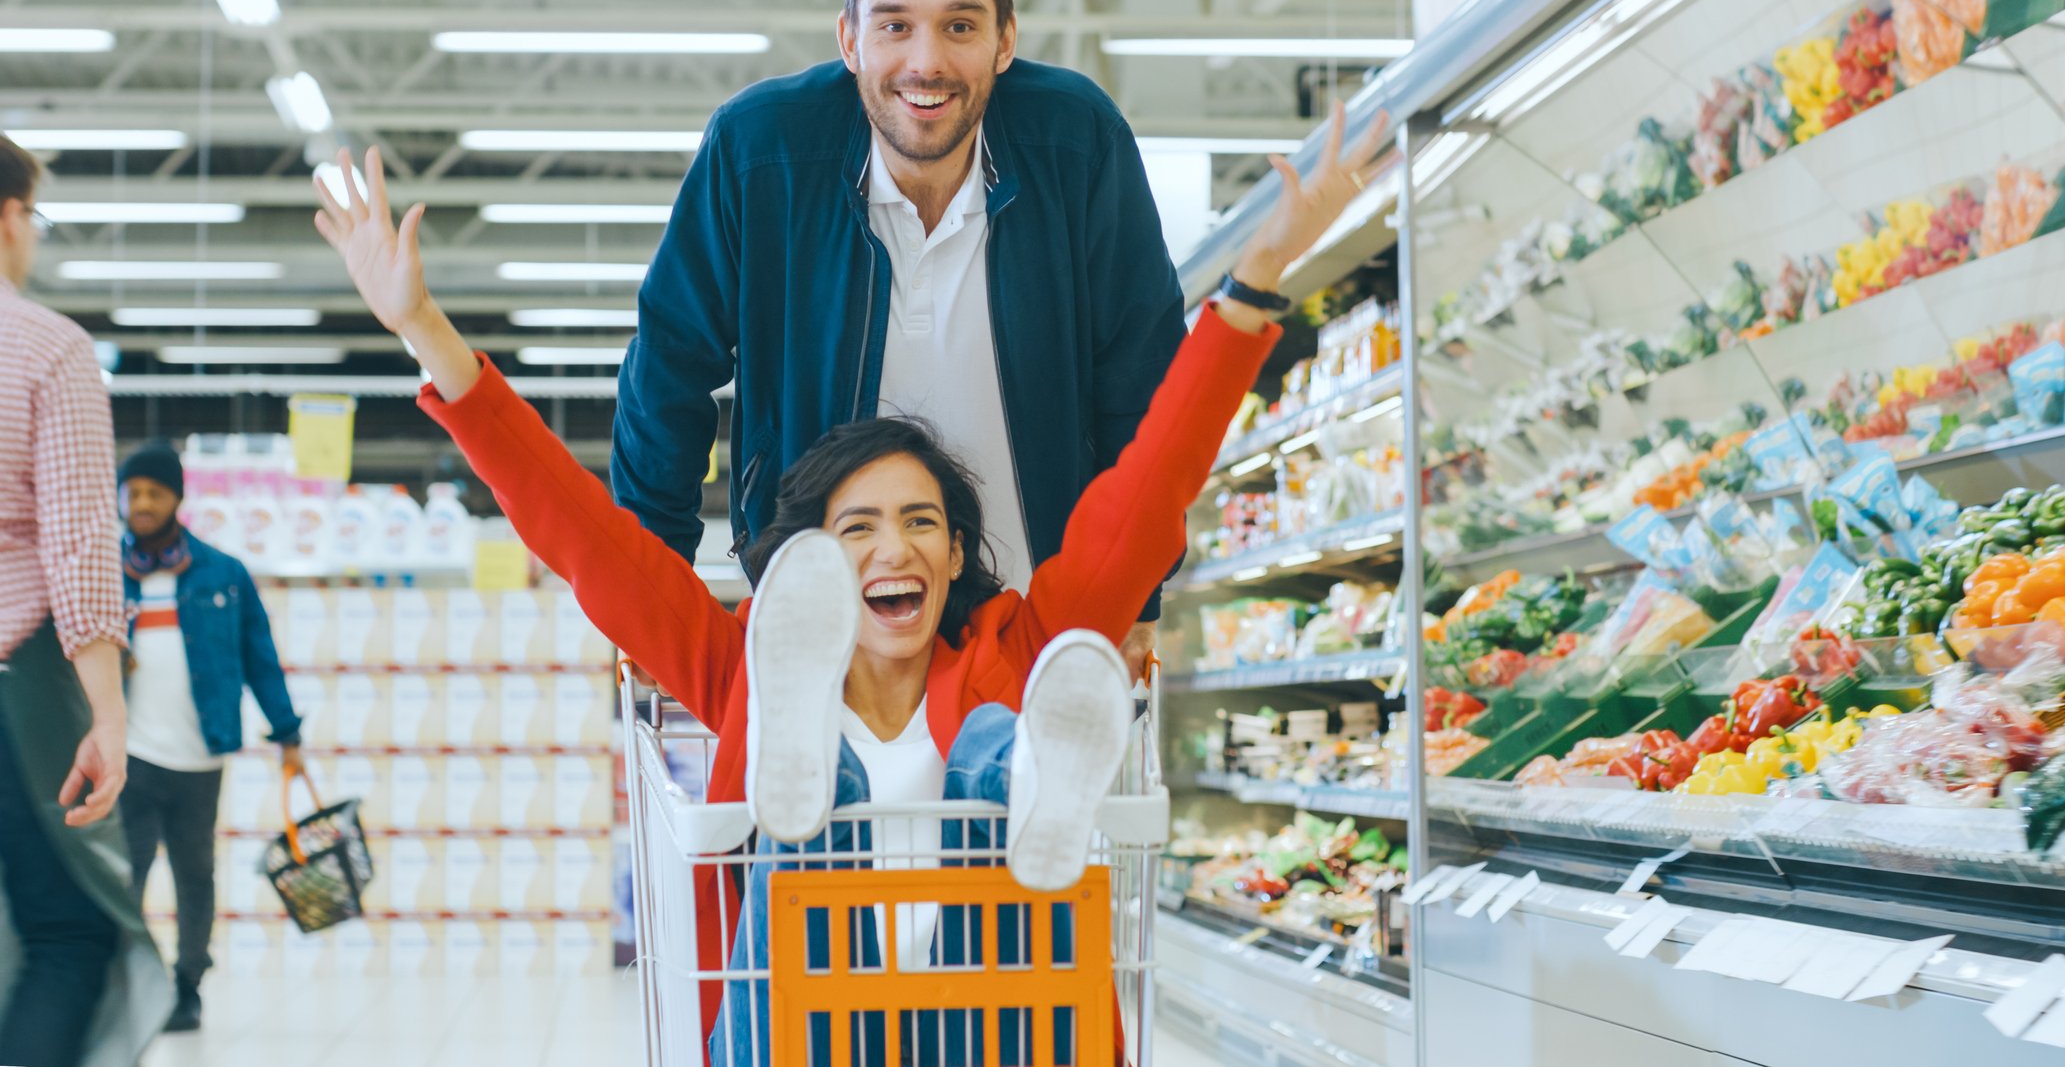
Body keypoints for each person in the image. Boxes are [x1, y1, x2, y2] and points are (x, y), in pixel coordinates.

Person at [312, 98, 1390, 1059]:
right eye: (858, 528)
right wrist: (422, 330)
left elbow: (1146, 491)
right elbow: (580, 535)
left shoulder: (1019, 648)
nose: (896, 549)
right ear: (811, 564)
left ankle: (1022, 787)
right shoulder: (738, 666)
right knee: (837, 788)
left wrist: (1254, 290)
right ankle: (837, 773)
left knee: (990, 743)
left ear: (958, 555)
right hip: (806, 1028)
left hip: (996, 1027)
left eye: (923, 522)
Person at [610, 0, 1188, 667]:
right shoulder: (760, 153)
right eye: (893, 26)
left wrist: (1136, 589)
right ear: (849, 39)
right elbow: (668, 371)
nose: (926, 63)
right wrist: (651, 591)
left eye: (960, 25)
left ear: (1004, 40)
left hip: (1041, 619)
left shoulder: (1076, 143)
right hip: (821, 618)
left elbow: (1144, 383)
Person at [0, 131, 169, 1066]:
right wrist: (107, 712)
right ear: (12, 217)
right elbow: (75, 540)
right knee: (70, 932)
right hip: (18, 676)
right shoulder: (45, 348)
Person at [115, 442, 305, 1033]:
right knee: (127, 879)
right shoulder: (101, 571)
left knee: (195, 876)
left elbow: (260, 658)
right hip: (128, 756)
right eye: (134, 492)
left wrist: (288, 731)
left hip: (200, 756)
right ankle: (129, 983)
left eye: (155, 492)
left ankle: (187, 985)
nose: (142, 503)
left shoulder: (223, 573)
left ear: (177, 498)